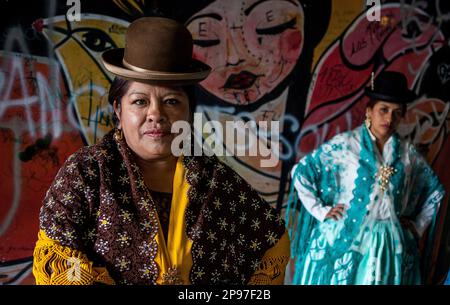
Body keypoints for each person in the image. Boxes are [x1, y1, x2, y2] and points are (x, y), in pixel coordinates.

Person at [32, 16, 290, 285]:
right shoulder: (87, 174)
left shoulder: (217, 182)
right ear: (119, 110)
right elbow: (58, 256)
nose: (156, 114)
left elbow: (272, 243)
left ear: (188, 112)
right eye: (140, 101)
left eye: (171, 101)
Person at [285, 71, 445, 285]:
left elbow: (435, 191)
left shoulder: (408, 154)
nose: (389, 118)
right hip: (346, 237)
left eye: (397, 113)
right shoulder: (346, 144)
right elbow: (301, 172)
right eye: (383, 110)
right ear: (369, 111)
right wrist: (321, 211)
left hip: (389, 246)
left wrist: (417, 226)